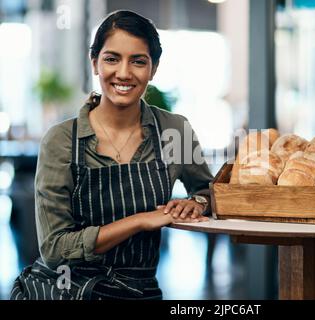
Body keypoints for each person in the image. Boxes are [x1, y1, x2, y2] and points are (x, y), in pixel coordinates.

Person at [10, 10, 213, 300]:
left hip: (139, 290)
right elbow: (54, 249)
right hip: (65, 290)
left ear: (153, 69)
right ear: (95, 63)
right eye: (112, 58)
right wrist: (140, 221)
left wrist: (197, 203)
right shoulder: (62, 139)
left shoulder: (173, 130)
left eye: (138, 61)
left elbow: (209, 191)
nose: (124, 73)